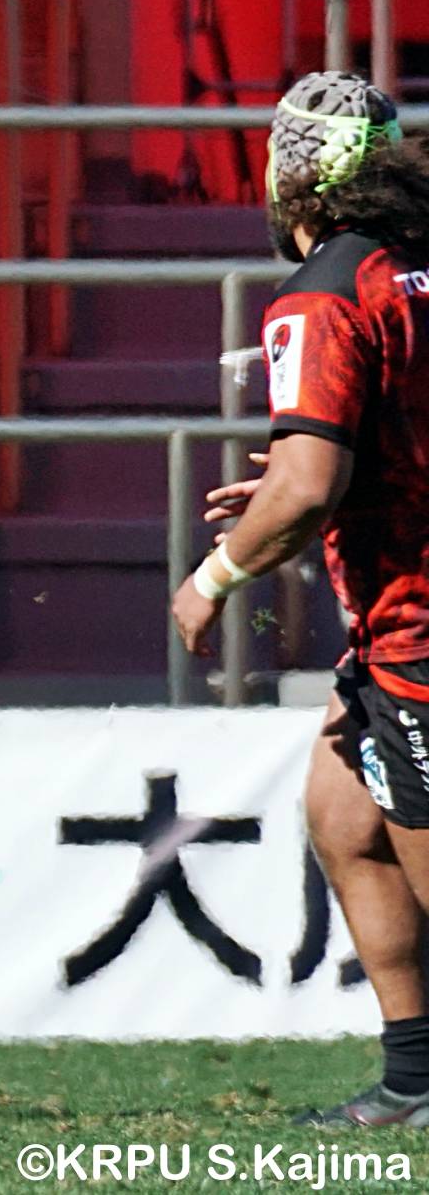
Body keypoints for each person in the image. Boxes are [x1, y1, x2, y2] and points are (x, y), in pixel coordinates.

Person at [177, 70, 429, 1127]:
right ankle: (414, 1078)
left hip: (416, 622)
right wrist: (308, 476)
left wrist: (213, 577)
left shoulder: (323, 292)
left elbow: (307, 486)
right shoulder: (413, 268)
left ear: (294, 180)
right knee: (344, 818)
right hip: (391, 617)